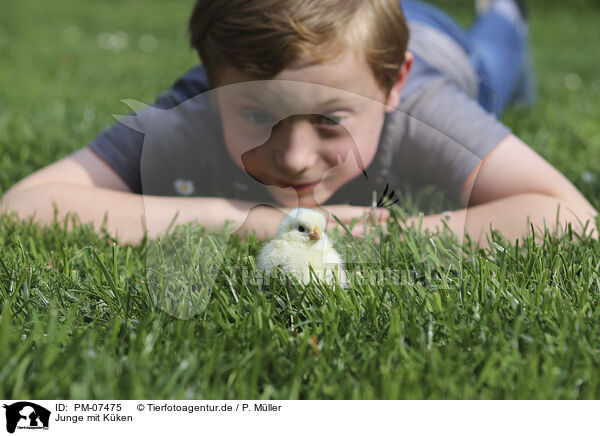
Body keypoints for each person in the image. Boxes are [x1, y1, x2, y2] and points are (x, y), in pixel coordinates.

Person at [1, 0, 597, 247]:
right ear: (212, 86)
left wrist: (390, 236)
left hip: (438, 46)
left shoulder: (420, 105)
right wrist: (246, 220)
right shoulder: (192, 108)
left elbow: (573, 217)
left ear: (391, 87)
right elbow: (24, 204)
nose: (291, 158)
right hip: (369, 43)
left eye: (331, 121)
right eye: (258, 115)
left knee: (495, 61)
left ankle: (504, 12)